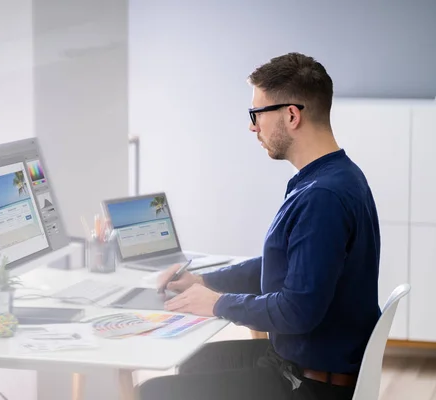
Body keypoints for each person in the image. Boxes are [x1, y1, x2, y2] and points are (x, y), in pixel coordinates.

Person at [136, 52, 381, 400]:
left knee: (152, 392)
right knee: (194, 360)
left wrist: (218, 304)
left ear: (291, 115)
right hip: (300, 365)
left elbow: (297, 311)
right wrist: (204, 282)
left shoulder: (322, 197)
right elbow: (287, 270)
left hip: (308, 386)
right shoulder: (332, 177)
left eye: (257, 114)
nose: (253, 126)